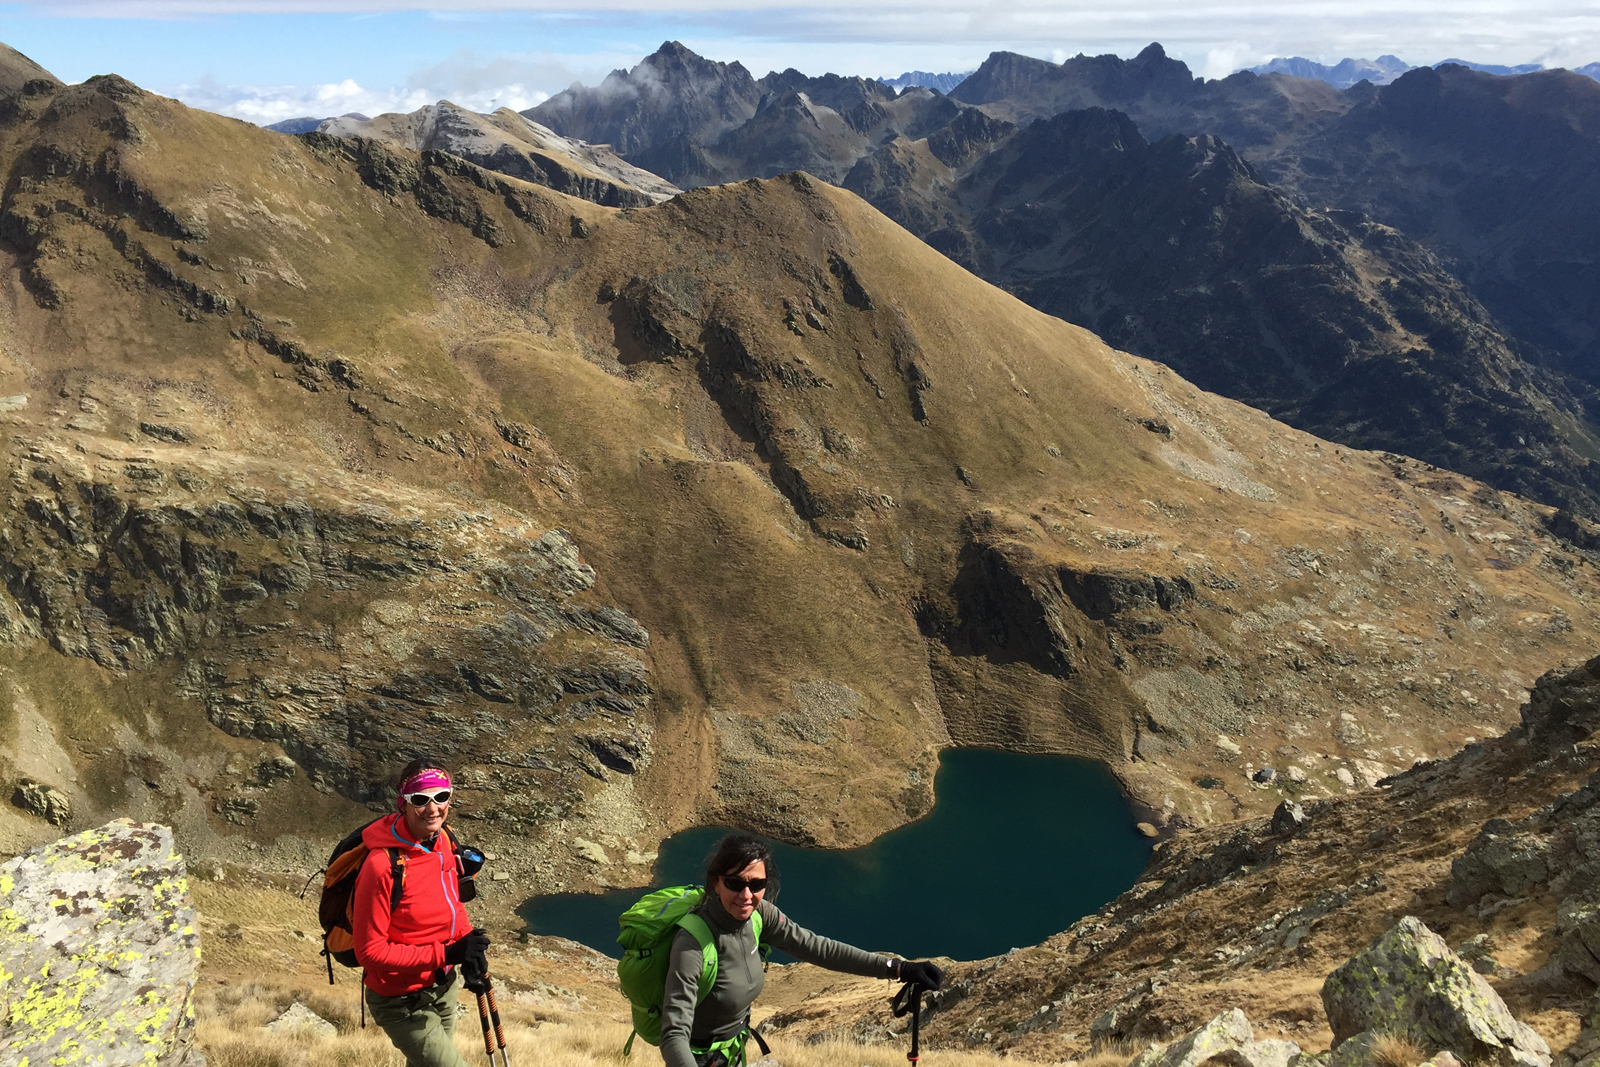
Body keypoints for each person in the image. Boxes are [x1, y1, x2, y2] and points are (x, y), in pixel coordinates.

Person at [659, 832, 944, 1067]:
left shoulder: (760, 916)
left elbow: (817, 948)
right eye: (735, 883)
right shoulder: (692, 943)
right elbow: (674, 1034)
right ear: (716, 882)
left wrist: (897, 968)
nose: (747, 896)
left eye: (757, 884)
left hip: (734, 1052)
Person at [352, 757, 490, 1067]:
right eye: (420, 800)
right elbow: (369, 952)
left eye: (441, 796)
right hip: (400, 1000)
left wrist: (469, 950)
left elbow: (451, 903)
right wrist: (447, 954)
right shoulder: (381, 866)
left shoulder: (443, 839)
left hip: (442, 988)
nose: (432, 808)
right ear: (402, 803)